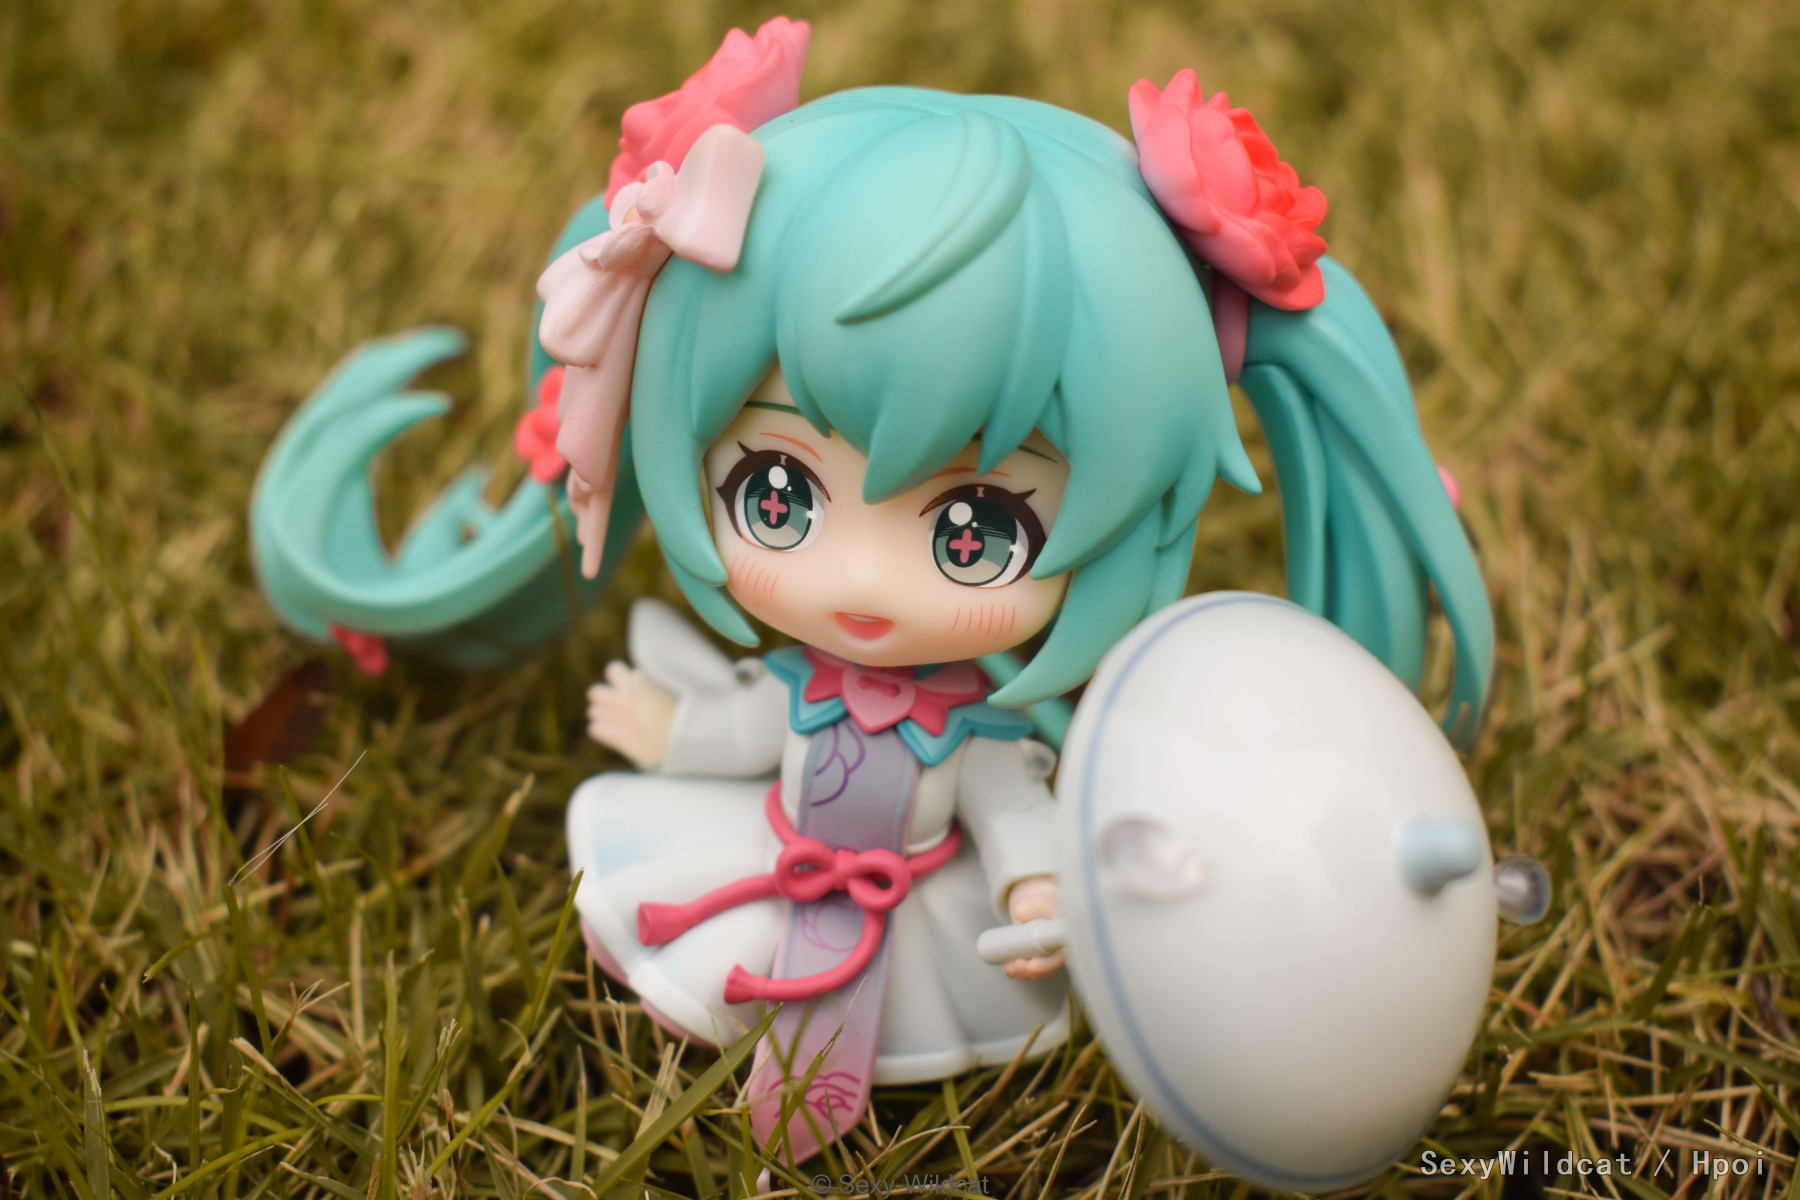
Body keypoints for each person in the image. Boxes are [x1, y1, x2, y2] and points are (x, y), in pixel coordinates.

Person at [250, 15, 1493, 1164]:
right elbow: (759, 724)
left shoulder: (980, 733)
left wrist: (1039, 887)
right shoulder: (809, 682)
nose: (857, 581)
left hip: (923, 916)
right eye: (775, 494)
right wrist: (674, 731)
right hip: (768, 867)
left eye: (975, 531)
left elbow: (1012, 807)